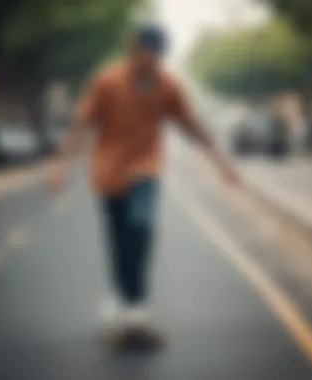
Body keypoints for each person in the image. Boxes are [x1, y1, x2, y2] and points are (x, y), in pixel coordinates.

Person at [49, 24, 241, 345]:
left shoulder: (168, 87)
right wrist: (61, 165)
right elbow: (82, 122)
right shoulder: (106, 81)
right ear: (132, 48)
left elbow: (191, 125)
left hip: (145, 169)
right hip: (108, 173)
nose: (148, 61)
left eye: (155, 55)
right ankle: (125, 299)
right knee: (118, 240)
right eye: (143, 53)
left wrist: (220, 161)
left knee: (141, 226)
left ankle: (137, 305)